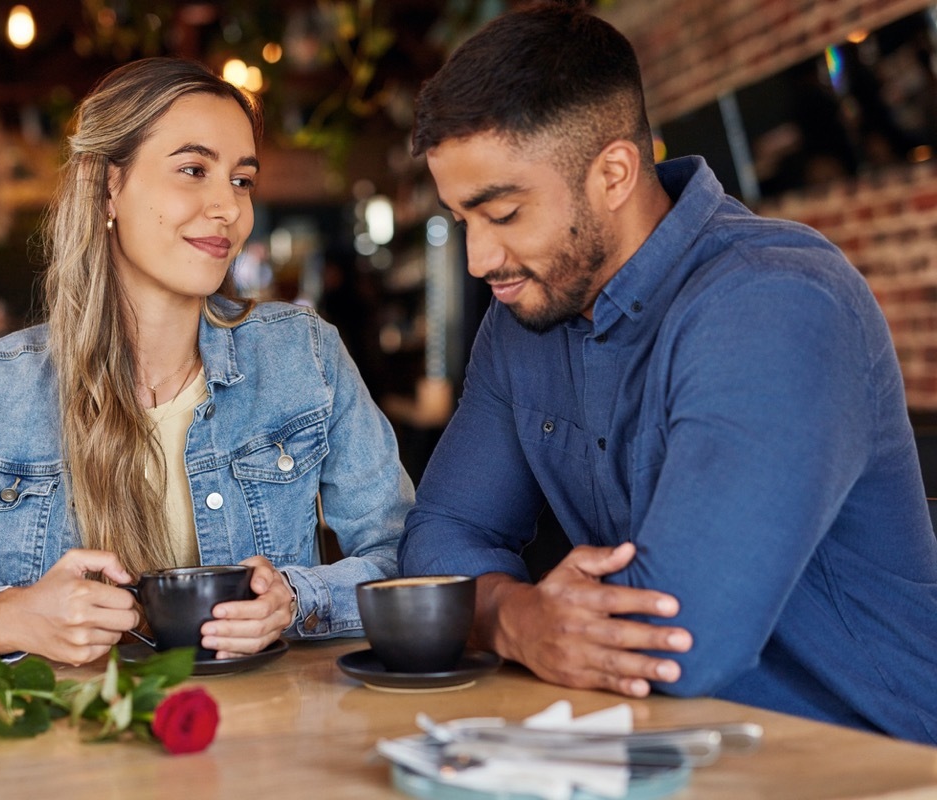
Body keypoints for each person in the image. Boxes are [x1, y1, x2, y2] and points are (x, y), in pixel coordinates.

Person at [398, 2, 937, 745]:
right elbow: (440, 532)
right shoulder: (526, 314)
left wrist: (488, 611)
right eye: (465, 220)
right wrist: (514, 619)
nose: (478, 260)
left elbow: (678, 641)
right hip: (662, 752)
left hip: (869, 764)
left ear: (614, 173)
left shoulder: (774, 301)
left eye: (506, 213)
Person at [0, 57, 413, 670]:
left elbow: (407, 560)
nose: (228, 208)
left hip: (264, 741)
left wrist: (298, 599)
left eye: (242, 180)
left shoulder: (304, 357)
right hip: (77, 749)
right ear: (108, 186)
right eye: (194, 170)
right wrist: (10, 616)